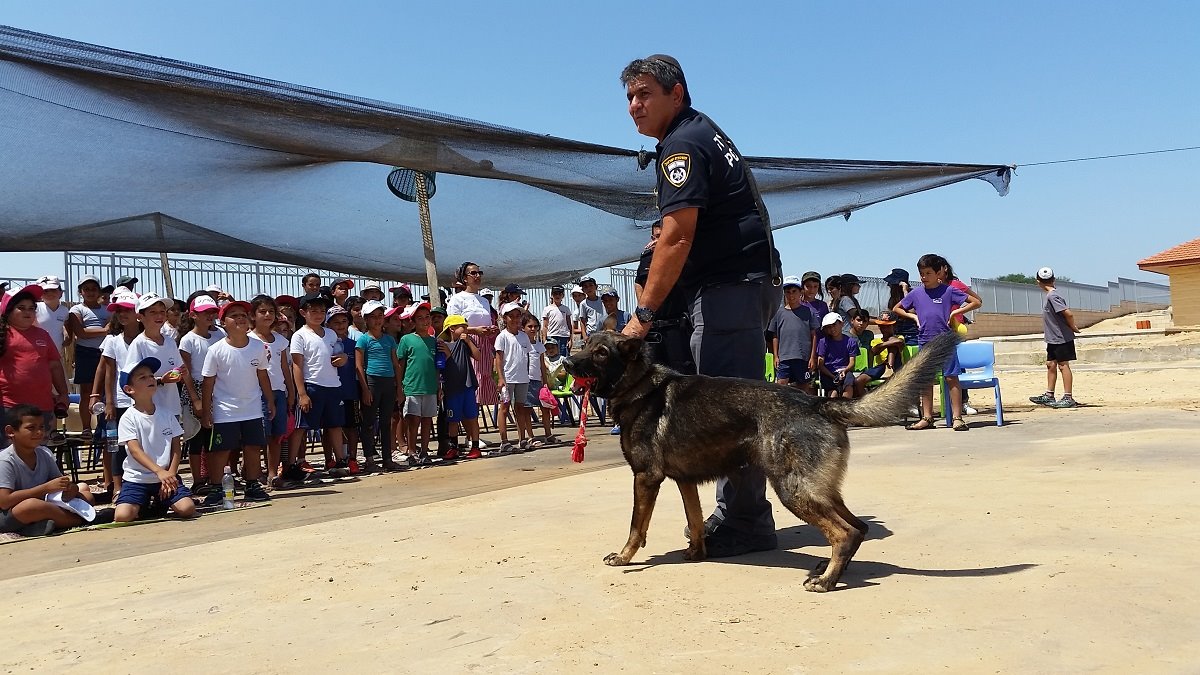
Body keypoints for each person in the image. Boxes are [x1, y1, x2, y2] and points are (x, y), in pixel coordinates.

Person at [620, 54, 782, 557]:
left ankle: (746, 522)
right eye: (629, 97)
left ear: (677, 93)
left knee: (729, 415)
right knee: (733, 408)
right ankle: (740, 514)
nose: (634, 106)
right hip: (742, 283)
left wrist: (643, 314)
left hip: (728, 290)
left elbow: (678, 237)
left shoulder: (683, 144)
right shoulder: (700, 132)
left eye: (644, 94)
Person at [892, 253, 983, 431]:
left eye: (928, 273)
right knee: (925, 380)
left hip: (945, 342)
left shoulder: (948, 291)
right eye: (921, 274)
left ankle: (957, 417)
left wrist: (955, 313)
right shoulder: (916, 293)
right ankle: (927, 417)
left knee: (951, 377)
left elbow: (976, 302)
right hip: (925, 341)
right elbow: (897, 308)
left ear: (938, 272)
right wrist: (913, 316)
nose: (924, 277)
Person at [200, 301, 273, 503]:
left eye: (243, 314)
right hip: (225, 410)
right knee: (221, 449)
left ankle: (252, 484)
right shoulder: (216, 350)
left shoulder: (258, 346)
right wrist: (206, 411)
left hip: (252, 408)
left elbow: (262, 375)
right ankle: (216, 488)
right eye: (234, 315)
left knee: (252, 447)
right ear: (223, 322)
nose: (240, 318)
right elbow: (208, 382)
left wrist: (270, 401)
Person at [114, 357, 198, 522]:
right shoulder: (128, 418)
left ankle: (161, 502)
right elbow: (135, 451)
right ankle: (144, 503)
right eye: (142, 377)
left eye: (151, 375)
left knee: (187, 508)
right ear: (129, 389)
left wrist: (170, 474)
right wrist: (159, 471)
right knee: (122, 516)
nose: (150, 379)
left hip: (166, 476)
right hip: (136, 479)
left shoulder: (166, 413)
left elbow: (176, 447)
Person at [0, 404, 97, 536]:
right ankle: (82, 520)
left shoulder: (44, 453)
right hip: (9, 515)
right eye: (31, 428)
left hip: (45, 502)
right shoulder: (5, 460)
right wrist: (44, 488)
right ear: (11, 431)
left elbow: (58, 483)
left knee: (86, 495)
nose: (39, 432)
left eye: (41, 427)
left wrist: (70, 489)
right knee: (32, 506)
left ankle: (37, 526)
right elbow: (4, 501)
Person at [283, 292, 350, 482]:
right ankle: (291, 464)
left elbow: (339, 354)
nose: (319, 314)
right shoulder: (299, 335)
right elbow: (297, 365)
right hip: (312, 386)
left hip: (333, 386)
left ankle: (340, 461)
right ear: (303, 312)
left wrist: (343, 359)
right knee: (301, 426)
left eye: (322, 310)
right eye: (314, 310)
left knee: (335, 425)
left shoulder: (331, 333)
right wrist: (302, 393)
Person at [0, 285, 69, 448]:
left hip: (42, 407)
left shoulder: (42, 335)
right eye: (21, 308)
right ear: (7, 310)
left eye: (32, 308)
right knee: (8, 456)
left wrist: (63, 393)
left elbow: (54, 366)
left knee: (39, 453)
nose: (27, 312)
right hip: (9, 408)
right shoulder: (3, 334)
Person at [93, 289, 142, 497]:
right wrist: (110, 402)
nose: (123, 314)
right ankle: (118, 487)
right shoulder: (113, 341)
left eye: (128, 309)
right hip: (121, 401)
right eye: (119, 310)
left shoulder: (146, 339)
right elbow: (109, 373)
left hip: (143, 400)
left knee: (142, 443)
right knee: (117, 445)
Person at [634, 219, 695, 375]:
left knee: (682, 375)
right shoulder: (647, 256)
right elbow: (639, 282)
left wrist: (666, 253)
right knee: (654, 375)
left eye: (660, 237)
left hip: (677, 326)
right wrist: (644, 310)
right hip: (653, 326)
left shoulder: (682, 253)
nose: (656, 241)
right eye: (654, 237)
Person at [178, 293, 225, 493]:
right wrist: (196, 399)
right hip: (195, 389)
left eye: (212, 312)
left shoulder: (220, 335)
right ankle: (198, 480)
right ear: (193, 315)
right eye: (204, 312)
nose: (209, 316)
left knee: (214, 439)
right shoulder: (188, 340)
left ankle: (216, 478)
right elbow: (185, 370)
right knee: (195, 438)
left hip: (217, 389)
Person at [249, 295, 294, 489]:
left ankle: (273, 473)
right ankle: (254, 472)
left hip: (279, 392)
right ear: (253, 315)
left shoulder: (281, 341)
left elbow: (286, 369)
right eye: (262, 311)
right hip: (256, 393)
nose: (267, 315)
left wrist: (291, 392)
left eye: (271, 311)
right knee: (259, 436)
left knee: (276, 435)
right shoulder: (248, 339)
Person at [355, 300, 404, 472]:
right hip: (372, 381)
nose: (377, 320)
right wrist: (365, 389)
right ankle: (369, 459)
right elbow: (359, 365)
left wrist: (399, 387)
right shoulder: (363, 340)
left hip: (388, 382)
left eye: (380, 316)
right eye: (373, 317)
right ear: (366, 320)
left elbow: (396, 364)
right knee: (368, 422)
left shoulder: (389, 340)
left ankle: (387, 459)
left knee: (386, 422)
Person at [445, 262, 501, 414]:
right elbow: (452, 327)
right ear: (464, 278)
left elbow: (487, 322)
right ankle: (469, 430)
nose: (477, 276)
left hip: (483, 345)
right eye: (473, 273)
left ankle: (475, 432)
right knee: (471, 385)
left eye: (479, 273)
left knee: (482, 384)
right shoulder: (457, 299)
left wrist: (490, 330)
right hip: (466, 344)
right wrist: (474, 330)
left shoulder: (483, 301)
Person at [66, 275, 111, 439]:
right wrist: (104, 330)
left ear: (98, 291)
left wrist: (96, 331)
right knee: (86, 392)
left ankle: (103, 426)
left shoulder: (107, 309)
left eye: (93, 289)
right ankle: (86, 428)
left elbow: (111, 328)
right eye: (86, 289)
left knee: (105, 392)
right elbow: (81, 333)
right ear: (80, 292)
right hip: (85, 353)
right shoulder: (76, 310)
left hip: (104, 354)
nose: (90, 292)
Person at [1030, 266, 1081, 409]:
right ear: (1054, 279)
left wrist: (1072, 327)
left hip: (1061, 337)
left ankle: (1068, 397)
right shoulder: (1051, 295)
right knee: (1050, 364)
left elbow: (1068, 313)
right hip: (1052, 338)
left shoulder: (1053, 296)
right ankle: (1049, 395)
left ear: (1038, 281)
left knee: (1063, 365)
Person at [395, 302, 440, 465]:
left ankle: (425, 451)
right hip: (412, 387)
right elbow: (401, 365)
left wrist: (438, 387)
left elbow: (436, 367)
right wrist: (399, 387)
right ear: (413, 321)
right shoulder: (407, 340)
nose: (425, 321)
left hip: (430, 388)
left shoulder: (433, 341)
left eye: (427, 317)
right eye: (420, 318)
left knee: (427, 420)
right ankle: (412, 451)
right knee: (412, 420)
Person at [438, 314, 483, 458]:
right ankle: (453, 447)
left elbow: (478, 356)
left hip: (467, 386)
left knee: (472, 417)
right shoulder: (441, 345)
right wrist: (447, 355)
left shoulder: (464, 343)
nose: (465, 329)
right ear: (452, 328)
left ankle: (475, 446)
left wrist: (469, 341)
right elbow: (440, 365)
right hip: (452, 388)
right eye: (462, 326)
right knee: (453, 420)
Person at [325, 305, 361, 473]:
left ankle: (352, 458)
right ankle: (329, 459)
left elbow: (359, 369)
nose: (340, 325)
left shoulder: (354, 344)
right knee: (330, 427)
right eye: (335, 322)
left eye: (343, 321)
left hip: (350, 392)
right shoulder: (326, 344)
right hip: (331, 393)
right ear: (328, 324)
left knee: (351, 427)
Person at [767, 275, 819, 392]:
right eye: (788, 292)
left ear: (800, 292)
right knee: (781, 386)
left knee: (803, 387)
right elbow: (775, 336)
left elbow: (814, 335)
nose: (791, 295)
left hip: (803, 357)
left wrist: (812, 357)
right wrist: (776, 356)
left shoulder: (808, 312)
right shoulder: (778, 313)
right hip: (784, 357)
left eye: (794, 291)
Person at [494, 302, 533, 454]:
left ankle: (522, 439)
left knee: (520, 408)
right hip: (508, 378)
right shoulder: (502, 337)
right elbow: (499, 358)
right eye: (512, 316)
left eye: (518, 316)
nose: (515, 319)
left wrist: (527, 374)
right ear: (505, 318)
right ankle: (504, 441)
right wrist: (501, 378)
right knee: (504, 408)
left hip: (522, 378)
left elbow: (527, 356)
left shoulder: (523, 336)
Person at [522, 315, 553, 446]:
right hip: (526, 381)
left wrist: (545, 383)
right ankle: (530, 436)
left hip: (538, 382)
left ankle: (548, 434)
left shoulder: (540, 346)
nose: (533, 329)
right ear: (523, 328)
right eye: (530, 326)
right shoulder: (522, 345)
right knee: (527, 410)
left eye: (535, 326)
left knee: (545, 409)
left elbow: (542, 365)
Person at [815, 313, 857, 398]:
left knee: (848, 387)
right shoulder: (823, 342)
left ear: (841, 323)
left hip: (845, 372)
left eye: (834, 325)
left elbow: (852, 362)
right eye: (828, 327)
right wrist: (833, 376)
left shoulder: (851, 341)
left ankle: (846, 407)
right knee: (833, 392)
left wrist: (845, 371)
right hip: (828, 374)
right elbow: (820, 365)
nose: (832, 329)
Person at [34, 276, 69, 356]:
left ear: (61, 293)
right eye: (45, 291)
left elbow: (67, 323)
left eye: (53, 290)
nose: (50, 293)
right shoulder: (35, 308)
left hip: (57, 355)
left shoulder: (64, 310)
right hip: (38, 354)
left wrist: (67, 334)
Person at [883, 268, 918, 346]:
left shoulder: (912, 294)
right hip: (897, 331)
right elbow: (892, 311)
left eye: (891, 283)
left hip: (911, 333)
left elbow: (913, 310)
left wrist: (905, 291)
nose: (888, 285)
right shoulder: (893, 298)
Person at [541, 285, 573, 355]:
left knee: (563, 357)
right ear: (552, 295)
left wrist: (570, 339)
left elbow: (569, 325)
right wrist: (544, 339)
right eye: (555, 294)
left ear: (563, 296)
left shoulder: (566, 309)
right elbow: (545, 326)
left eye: (560, 294)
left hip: (564, 336)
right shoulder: (547, 309)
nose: (557, 296)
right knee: (552, 356)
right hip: (551, 336)